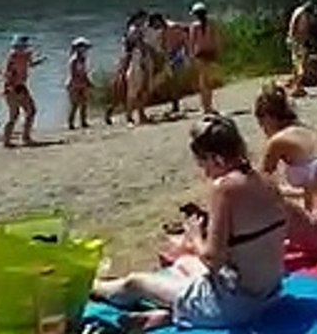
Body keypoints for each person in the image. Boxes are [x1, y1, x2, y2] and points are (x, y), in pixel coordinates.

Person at [94, 115, 285, 329]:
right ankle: (166, 314)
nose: (205, 172)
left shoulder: (224, 188)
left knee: (135, 282)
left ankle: (93, 287)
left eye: (203, 164)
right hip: (270, 294)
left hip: (235, 305)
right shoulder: (266, 181)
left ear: (216, 159)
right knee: (184, 264)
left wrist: (194, 236)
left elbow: (213, 260)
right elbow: (251, 237)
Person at [255, 84, 317, 255]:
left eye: (261, 124)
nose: (263, 130)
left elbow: (257, 185)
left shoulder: (278, 141)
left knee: (258, 197)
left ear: (267, 118)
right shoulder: (313, 135)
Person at [2, 35, 45, 147]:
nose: (23, 47)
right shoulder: (13, 56)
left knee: (30, 111)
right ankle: (9, 140)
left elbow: (30, 65)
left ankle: (24, 137)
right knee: (15, 114)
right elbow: (8, 73)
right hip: (13, 87)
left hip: (21, 86)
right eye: (21, 45)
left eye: (24, 45)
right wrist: (10, 88)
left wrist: (39, 61)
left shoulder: (26, 55)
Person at [190, 2, 221, 115]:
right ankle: (209, 106)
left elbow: (192, 42)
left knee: (203, 82)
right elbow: (217, 39)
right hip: (210, 53)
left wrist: (191, 56)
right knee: (209, 81)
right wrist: (218, 51)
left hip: (200, 54)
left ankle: (205, 106)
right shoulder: (211, 24)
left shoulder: (194, 26)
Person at [286, 0, 314, 97]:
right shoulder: (302, 13)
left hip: (296, 40)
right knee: (301, 65)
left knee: (296, 64)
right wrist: (295, 39)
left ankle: (295, 85)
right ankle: (297, 87)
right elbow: (296, 26)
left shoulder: (298, 11)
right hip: (297, 41)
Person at [67, 37, 93, 130]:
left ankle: (83, 122)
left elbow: (84, 72)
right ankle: (71, 123)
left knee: (84, 103)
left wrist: (87, 82)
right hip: (74, 84)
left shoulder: (83, 59)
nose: (85, 49)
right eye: (83, 47)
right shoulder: (74, 60)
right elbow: (73, 73)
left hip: (81, 83)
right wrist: (80, 82)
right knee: (74, 104)